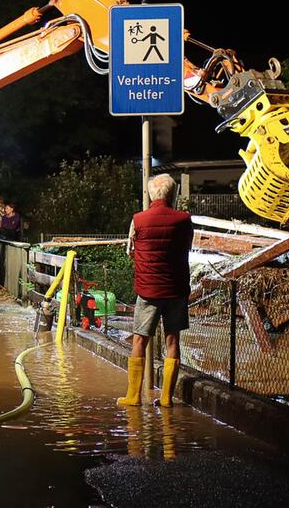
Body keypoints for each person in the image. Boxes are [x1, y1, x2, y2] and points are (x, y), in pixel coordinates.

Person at [118, 174, 192, 407]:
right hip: (176, 289)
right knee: (173, 340)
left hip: (148, 290)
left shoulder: (138, 220)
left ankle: (133, 397)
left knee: (139, 339)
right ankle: (167, 398)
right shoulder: (184, 219)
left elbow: (130, 251)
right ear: (172, 194)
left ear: (151, 194)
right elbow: (187, 246)